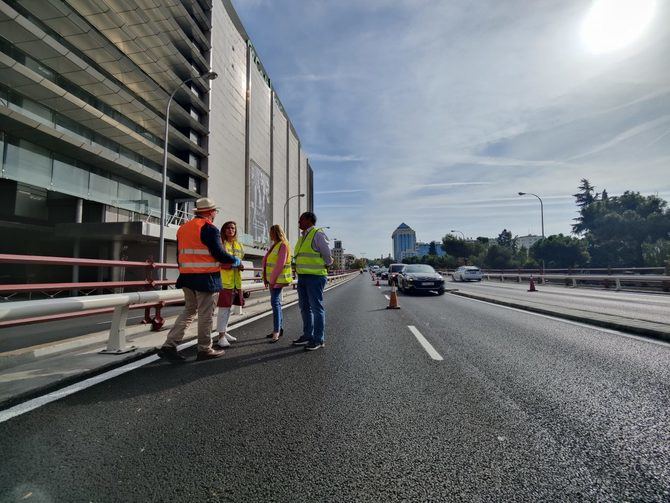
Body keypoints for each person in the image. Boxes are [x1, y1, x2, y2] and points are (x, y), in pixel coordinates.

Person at [157, 197, 241, 362]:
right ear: (210, 212)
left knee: (189, 310)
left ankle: (169, 345)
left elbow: (179, 254)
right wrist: (233, 260)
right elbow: (218, 253)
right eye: (215, 211)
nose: (215, 214)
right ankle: (204, 349)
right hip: (206, 277)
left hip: (187, 277)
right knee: (205, 314)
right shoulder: (209, 229)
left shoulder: (183, 228)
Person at [292, 212, 333, 351]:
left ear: (309, 220)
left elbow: (327, 254)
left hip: (315, 277)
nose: (298, 221)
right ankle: (308, 335)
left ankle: (318, 339)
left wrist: (327, 264)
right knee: (304, 307)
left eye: (301, 219)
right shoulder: (302, 237)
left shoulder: (317, 234)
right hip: (302, 277)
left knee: (316, 308)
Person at [215, 221, 245, 348]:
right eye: (227, 227)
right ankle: (221, 337)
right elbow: (217, 262)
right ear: (223, 230)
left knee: (228, 309)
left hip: (236, 282)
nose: (230, 230)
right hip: (224, 282)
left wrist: (241, 266)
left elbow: (240, 261)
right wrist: (231, 265)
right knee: (223, 310)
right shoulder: (220, 244)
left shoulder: (239, 245)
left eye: (233, 228)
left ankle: (224, 332)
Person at [262, 224, 293, 343]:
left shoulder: (283, 245)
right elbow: (267, 264)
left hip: (277, 280)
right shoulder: (274, 245)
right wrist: (265, 278)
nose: (269, 234)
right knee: (277, 304)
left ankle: (276, 331)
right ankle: (279, 329)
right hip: (273, 280)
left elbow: (280, 264)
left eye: (271, 232)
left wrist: (272, 281)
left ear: (275, 233)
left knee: (275, 303)